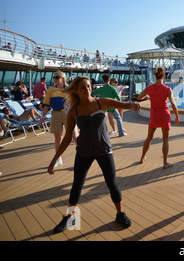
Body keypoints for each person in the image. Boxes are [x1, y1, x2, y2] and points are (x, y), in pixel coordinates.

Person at [48, 76, 140, 233]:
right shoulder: (73, 111)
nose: (87, 89)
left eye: (89, 86)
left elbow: (125, 104)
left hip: (104, 150)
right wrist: (54, 160)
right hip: (84, 152)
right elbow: (66, 139)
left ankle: (120, 213)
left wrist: (133, 104)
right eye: (83, 87)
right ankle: (70, 217)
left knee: (112, 183)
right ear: (76, 90)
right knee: (77, 185)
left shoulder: (101, 102)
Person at [137, 67, 180, 168]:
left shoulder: (149, 88)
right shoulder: (167, 89)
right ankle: (165, 163)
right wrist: (177, 116)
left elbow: (139, 98)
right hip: (165, 115)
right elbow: (173, 104)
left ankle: (142, 158)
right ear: (164, 76)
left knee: (149, 138)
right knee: (165, 140)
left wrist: (148, 97)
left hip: (154, 116)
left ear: (155, 76)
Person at [40, 71, 78, 168]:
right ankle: (58, 159)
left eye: (57, 77)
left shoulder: (70, 89)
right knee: (58, 138)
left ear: (63, 79)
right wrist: (42, 117)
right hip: (55, 114)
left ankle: (82, 156)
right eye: (54, 77)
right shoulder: (51, 91)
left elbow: (77, 102)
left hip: (68, 114)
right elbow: (46, 105)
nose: (55, 79)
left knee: (75, 137)